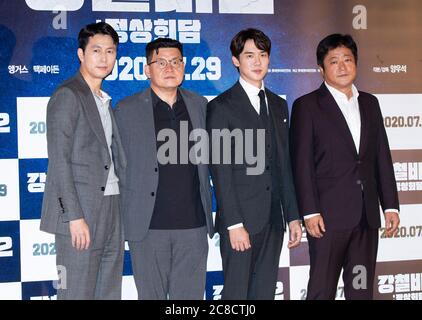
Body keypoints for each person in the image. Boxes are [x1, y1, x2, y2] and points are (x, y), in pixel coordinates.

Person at [290, 33, 400, 300]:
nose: (342, 67)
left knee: (361, 290)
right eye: (334, 61)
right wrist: (310, 211)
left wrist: (391, 205)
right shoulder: (307, 106)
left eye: (347, 60)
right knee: (321, 290)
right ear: (321, 69)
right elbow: (301, 163)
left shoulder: (370, 103)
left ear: (356, 63)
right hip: (327, 220)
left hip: (366, 218)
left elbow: (381, 158)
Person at [114, 38, 214, 300]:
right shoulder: (125, 110)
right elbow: (116, 167)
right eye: (161, 62)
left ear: (184, 66)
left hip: (193, 227)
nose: (169, 67)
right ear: (147, 69)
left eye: (176, 61)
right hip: (147, 228)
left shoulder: (200, 105)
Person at [207, 28, 302, 300]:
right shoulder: (221, 107)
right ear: (236, 61)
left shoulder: (278, 105)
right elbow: (221, 170)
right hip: (241, 223)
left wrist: (292, 215)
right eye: (249, 55)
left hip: (274, 220)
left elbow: (284, 165)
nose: (258, 62)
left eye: (262, 55)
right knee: (236, 294)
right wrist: (234, 224)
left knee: (264, 293)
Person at [40, 22, 126, 299]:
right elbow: (59, 162)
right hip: (81, 212)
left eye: (110, 51)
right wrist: (73, 216)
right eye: (96, 50)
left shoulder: (103, 99)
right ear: (81, 54)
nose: (104, 58)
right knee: (76, 292)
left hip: (113, 206)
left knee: (108, 292)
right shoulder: (68, 95)